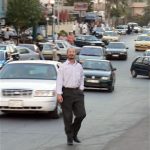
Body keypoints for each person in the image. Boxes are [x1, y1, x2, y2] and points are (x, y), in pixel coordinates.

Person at [56, 48, 86, 145]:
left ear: (75, 54)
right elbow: (59, 80)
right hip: (66, 92)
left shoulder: (79, 66)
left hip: (78, 93)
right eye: (70, 52)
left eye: (73, 52)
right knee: (68, 117)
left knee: (81, 114)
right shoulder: (63, 66)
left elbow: (82, 78)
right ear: (67, 54)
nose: (71, 54)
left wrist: (81, 88)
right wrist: (59, 94)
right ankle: (69, 137)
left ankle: (74, 133)